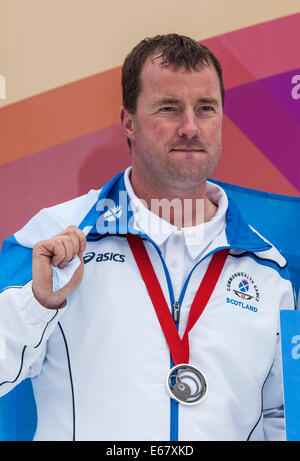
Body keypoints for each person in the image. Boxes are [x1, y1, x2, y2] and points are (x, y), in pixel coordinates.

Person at [0, 34, 295, 442]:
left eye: (206, 109)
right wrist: (37, 303)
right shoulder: (51, 237)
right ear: (128, 122)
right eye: (169, 109)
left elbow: (282, 417)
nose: (191, 127)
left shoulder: (270, 269)